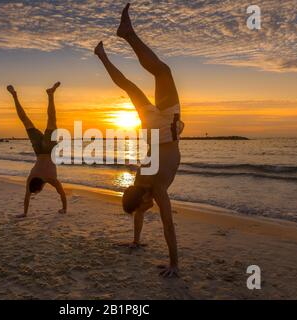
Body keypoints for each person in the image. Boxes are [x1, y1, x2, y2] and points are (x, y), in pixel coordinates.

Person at [95, 3, 184, 277]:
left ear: (144, 197)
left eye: (143, 206)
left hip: (166, 131)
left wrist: (174, 264)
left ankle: (127, 34)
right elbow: (140, 211)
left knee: (162, 73)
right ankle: (102, 55)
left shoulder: (154, 188)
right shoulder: (139, 183)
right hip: (153, 131)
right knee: (132, 86)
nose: (145, 210)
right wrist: (135, 240)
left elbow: (169, 226)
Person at [7, 82, 67, 218]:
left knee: (52, 120)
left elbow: (62, 194)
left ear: (40, 187)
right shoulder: (31, 178)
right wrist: (24, 213)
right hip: (38, 151)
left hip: (49, 149)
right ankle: (14, 96)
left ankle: (51, 95)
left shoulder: (51, 179)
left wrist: (64, 209)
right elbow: (27, 197)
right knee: (26, 121)